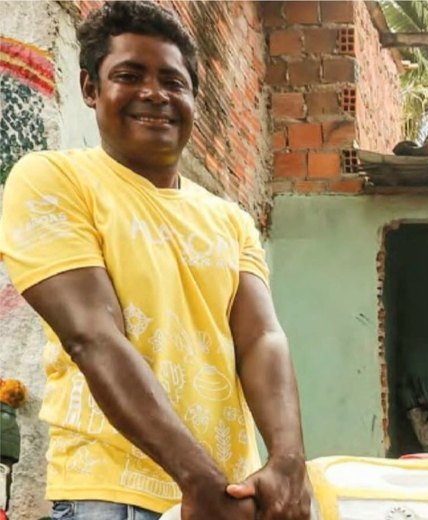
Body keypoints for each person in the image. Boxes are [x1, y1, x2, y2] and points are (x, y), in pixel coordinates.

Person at [0, 2, 309, 519]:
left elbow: (261, 338)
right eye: (128, 75)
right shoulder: (54, 179)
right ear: (90, 89)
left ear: (193, 98)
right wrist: (197, 477)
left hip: (229, 497)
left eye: (173, 80)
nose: (154, 93)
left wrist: (287, 461)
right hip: (115, 494)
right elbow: (93, 336)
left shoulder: (230, 219)